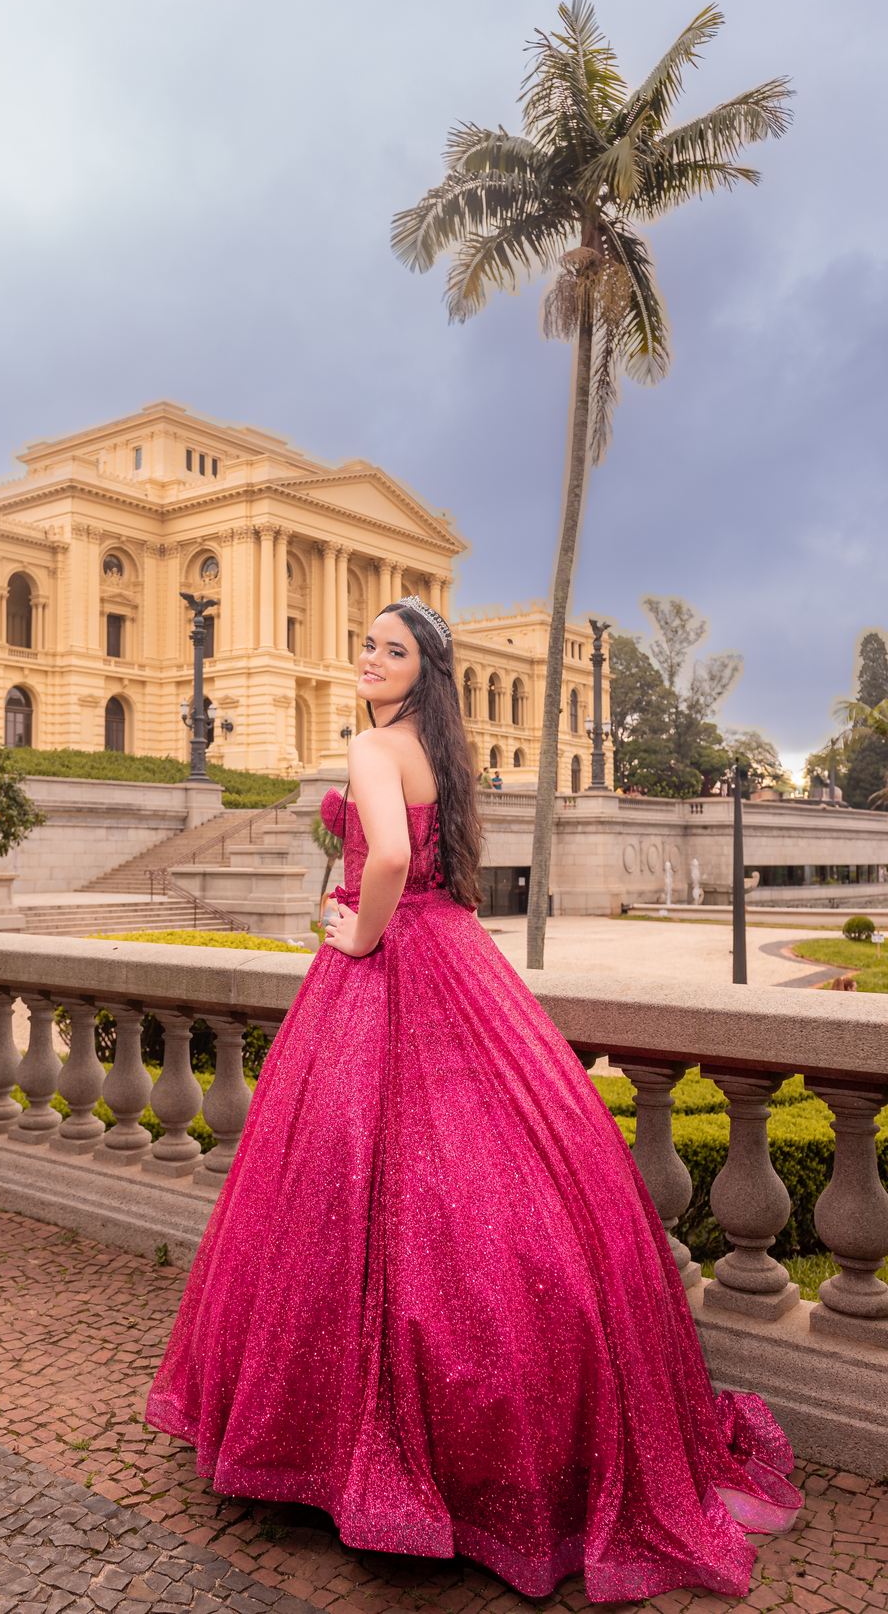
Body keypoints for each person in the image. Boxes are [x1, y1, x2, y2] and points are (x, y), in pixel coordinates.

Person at [146, 597, 799, 1602]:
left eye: (390, 649)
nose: (368, 657)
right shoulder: (440, 755)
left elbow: (392, 864)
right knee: (492, 1168)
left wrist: (356, 936)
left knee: (357, 1181)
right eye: (364, 642)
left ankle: (357, 1451)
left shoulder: (373, 746)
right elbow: (430, 867)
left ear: (423, 669)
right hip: (455, 954)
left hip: (387, 964)